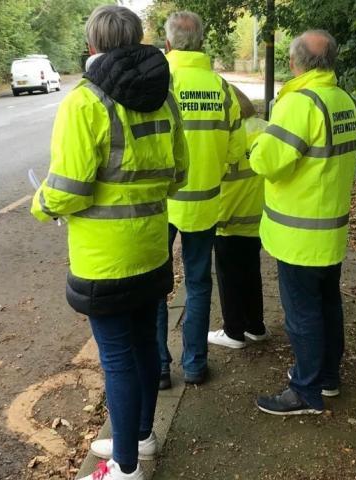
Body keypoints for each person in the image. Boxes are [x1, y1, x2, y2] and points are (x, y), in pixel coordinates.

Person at [31, 6, 188, 479]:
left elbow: (69, 188)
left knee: (118, 359)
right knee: (143, 346)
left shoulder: (84, 102)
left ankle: (125, 467)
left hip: (105, 259)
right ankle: (138, 437)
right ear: (137, 40)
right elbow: (179, 173)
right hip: (152, 248)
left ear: (93, 46)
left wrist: (41, 203)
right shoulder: (164, 98)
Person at [250, 30, 356, 415]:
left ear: (295, 63)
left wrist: (257, 141)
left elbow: (267, 162)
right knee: (328, 303)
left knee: (302, 314)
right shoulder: (343, 100)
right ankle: (327, 377)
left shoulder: (300, 104)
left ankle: (305, 391)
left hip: (299, 234)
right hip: (330, 229)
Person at [156, 11, 245, 388]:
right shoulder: (221, 88)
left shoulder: (159, 83)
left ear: (168, 44)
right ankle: (194, 365)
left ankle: (159, 367)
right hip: (206, 203)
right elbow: (236, 148)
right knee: (198, 283)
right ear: (203, 43)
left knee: (155, 286)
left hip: (162, 203)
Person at [207, 86, 268, 349]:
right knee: (251, 272)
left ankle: (233, 332)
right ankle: (255, 326)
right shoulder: (265, 128)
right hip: (258, 217)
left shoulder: (225, 134)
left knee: (228, 277)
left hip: (228, 217)